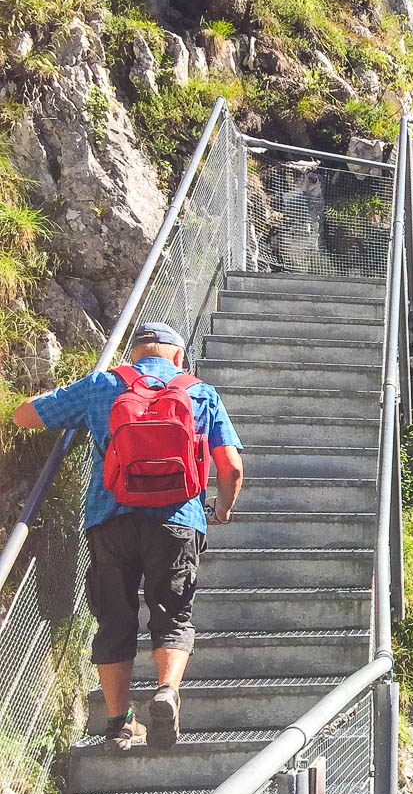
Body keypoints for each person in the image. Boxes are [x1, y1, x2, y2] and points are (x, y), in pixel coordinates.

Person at [11, 322, 244, 752]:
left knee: (114, 619)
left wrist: (50, 395)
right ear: (179, 356)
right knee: (173, 615)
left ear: (132, 355)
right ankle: (166, 691)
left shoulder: (103, 384)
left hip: (110, 518)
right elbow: (230, 467)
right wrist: (223, 509)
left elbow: (24, 415)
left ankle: (119, 723)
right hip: (178, 520)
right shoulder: (201, 393)